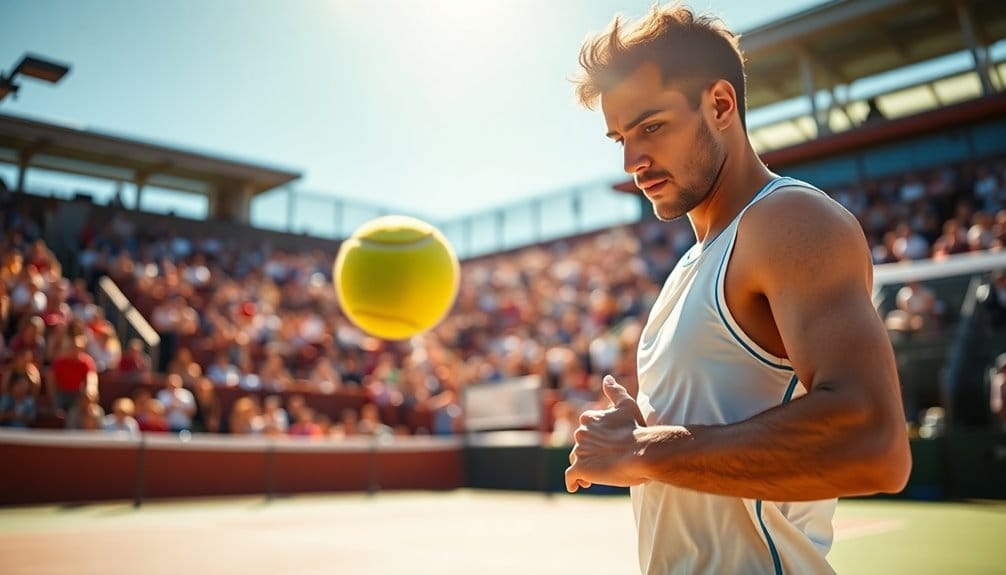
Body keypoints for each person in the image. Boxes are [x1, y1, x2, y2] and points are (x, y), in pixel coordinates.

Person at [565, 6, 911, 575]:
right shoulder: (689, 265)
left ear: (721, 105)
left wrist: (641, 450)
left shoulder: (789, 219)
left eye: (651, 127)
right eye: (620, 137)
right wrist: (640, 440)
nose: (631, 161)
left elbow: (876, 443)